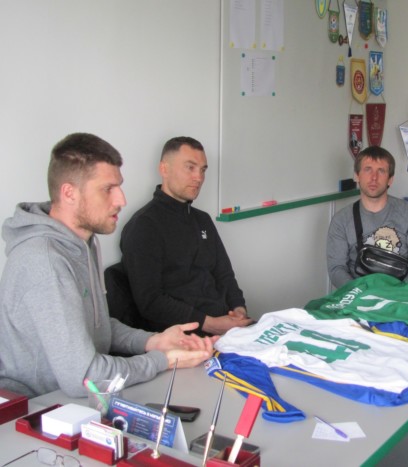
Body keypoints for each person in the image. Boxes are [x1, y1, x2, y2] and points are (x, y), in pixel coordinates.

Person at [0, 133, 215, 399]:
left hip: (77, 399)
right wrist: (164, 360)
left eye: (119, 187)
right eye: (107, 189)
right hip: (36, 407)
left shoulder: (83, 242)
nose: (121, 200)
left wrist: (152, 341)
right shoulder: (44, 260)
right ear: (69, 193)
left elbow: (96, 325)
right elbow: (84, 377)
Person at [120, 136, 252, 336]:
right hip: (185, 335)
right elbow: (150, 302)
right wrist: (210, 324)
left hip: (226, 324)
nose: (198, 178)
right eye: (190, 168)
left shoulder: (203, 220)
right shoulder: (144, 226)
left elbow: (224, 274)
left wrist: (239, 309)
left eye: (203, 170)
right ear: (164, 169)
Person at [326, 145, 408, 288]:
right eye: (368, 169)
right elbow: (336, 269)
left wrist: (399, 295)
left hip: (400, 295)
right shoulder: (341, 220)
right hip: (358, 295)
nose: (374, 177)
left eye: (381, 171)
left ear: (390, 179)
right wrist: (360, 294)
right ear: (356, 176)